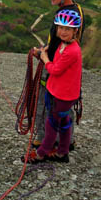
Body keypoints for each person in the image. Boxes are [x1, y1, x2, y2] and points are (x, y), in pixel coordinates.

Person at [22, 8, 83, 163]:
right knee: (63, 123)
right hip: (61, 92)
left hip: (62, 95)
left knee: (51, 125)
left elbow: (54, 69)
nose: (63, 31)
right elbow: (58, 57)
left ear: (75, 31)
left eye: (68, 29)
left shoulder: (72, 51)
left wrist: (44, 58)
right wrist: (46, 51)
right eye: (61, 27)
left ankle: (41, 153)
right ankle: (62, 152)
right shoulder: (65, 45)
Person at [32, 0, 84, 150]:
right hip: (62, 63)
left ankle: (43, 139)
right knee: (61, 104)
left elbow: (62, 42)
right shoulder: (75, 10)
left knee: (46, 101)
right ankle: (65, 141)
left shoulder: (67, 14)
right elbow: (59, 42)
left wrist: (42, 56)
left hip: (57, 64)